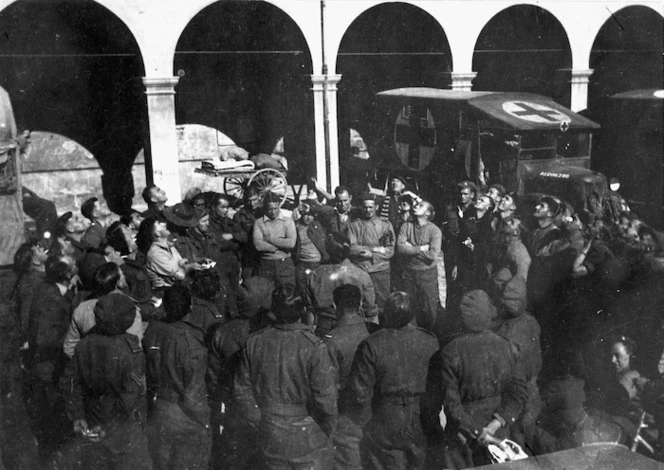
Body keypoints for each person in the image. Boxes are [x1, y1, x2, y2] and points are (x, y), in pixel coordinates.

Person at [233, 285, 337, 469]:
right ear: (303, 311)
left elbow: (242, 390)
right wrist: (325, 431)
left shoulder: (255, 341)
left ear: (273, 312)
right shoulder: (315, 347)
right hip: (307, 434)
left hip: (269, 431)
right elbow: (326, 403)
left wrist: (258, 421)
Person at [345, 291, 439, 470]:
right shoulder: (429, 340)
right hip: (421, 418)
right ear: (412, 315)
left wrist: (367, 423)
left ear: (385, 314)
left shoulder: (372, 344)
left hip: (385, 419)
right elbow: (438, 386)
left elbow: (359, 393)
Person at [59, 292, 152, 470]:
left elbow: (70, 382)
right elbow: (129, 398)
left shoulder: (84, 345)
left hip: (91, 415)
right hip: (122, 426)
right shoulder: (132, 352)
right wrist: (109, 426)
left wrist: (77, 415)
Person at [438, 290, 527, 469]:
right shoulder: (505, 346)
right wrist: (494, 426)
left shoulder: (451, 351)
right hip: (499, 435)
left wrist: (477, 431)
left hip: (463, 436)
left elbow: (452, 405)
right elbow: (518, 392)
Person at [207, 276, 274, 470]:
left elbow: (213, 378)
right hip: (265, 409)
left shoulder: (223, 331)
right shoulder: (270, 330)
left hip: (233, 409)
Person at [145, 284, 212, 470]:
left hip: (158, 410)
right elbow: (193, 396)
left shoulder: (152, 331)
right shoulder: (191, 343)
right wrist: (206, 421)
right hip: (185, 416)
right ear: (190, 307)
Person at [26, 254, 78, 463]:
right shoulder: (51, 299)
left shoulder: (55, 291)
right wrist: (73, 340)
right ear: (66, 274)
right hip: (51, 371)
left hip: (50, 369)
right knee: (55, 423)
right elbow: (44, 338)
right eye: (73, 264)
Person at [324, 285, 370, 470]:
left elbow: (327, 386)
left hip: (344, 417)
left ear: (335, 306)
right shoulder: (372, 331)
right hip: (371, 414)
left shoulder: (331, 339)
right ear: (360, 304)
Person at [62, 262, 143, 358]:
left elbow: (69, 348)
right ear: (119, 283)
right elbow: (135, 350)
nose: (125, 276)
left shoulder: (82, 309)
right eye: (122, 274)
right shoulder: (131, 312)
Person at [307, 233, 378, 336]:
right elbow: (370, 310)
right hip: (354, 327)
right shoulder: (361, 275)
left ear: (328, 250)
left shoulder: (316, 274)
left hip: (324, 328)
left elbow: (310, 311)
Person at [396, 200, 442, 330]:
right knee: (409, 307)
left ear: (427, 213)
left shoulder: (435, 231)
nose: (416, 206)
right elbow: (400, 248)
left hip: (427, 274)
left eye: (420, 205)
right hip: (409, 273)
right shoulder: (406, 226)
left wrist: (411, 248)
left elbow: (433, 255)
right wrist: (421, 248)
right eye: (416, 204)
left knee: (429, 308)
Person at [347, 193, 395, 314]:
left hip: (380, 270)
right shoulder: (354, 225)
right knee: (362, 305)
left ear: (377, 207)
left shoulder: (385, 225)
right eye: (365, 207)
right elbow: (351, 249)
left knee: (382, 304)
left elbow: (389, 250)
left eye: (370, 207)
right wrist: (374, 250)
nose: (367, 210)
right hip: (361, 270)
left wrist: (371, 255)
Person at [143, 217, 200, 293]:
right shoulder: (155, 253)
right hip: (166, 293)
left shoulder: (169, 246)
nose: (165, 224)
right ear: (157, 233)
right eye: (159, 224)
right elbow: (181, 275)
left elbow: (181, 265)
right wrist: (190, 266)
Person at [252, 191, 297, 287]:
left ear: (279, 205)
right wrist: (280, 245)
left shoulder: (288, 222)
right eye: (269, 209)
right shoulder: (259, 223)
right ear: (265, 207)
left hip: (284, 264)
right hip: (265, 264)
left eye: (275, 208)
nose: (273, 212)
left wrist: (269, 239)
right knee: (266, 296)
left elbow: (291, 243)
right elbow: (258, 245)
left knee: (287, 297)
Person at [294, 204, 328, 293]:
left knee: (316, 289)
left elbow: (329, 211)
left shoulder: (318, 224)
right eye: (306, 215)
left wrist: (312, 207)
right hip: (301, 262)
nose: (309, 218)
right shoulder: (296, 225)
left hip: (317, 263)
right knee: (302, 289)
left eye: (311, 215)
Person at [234, 183, 263, 281]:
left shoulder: (265, 213)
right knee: (248, 284)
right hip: (248, 257)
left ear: (259, 197)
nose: (252, 203)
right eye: (248, 201)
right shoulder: (239, 216)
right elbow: (237, 237)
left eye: (254, 200)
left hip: (264, 256)